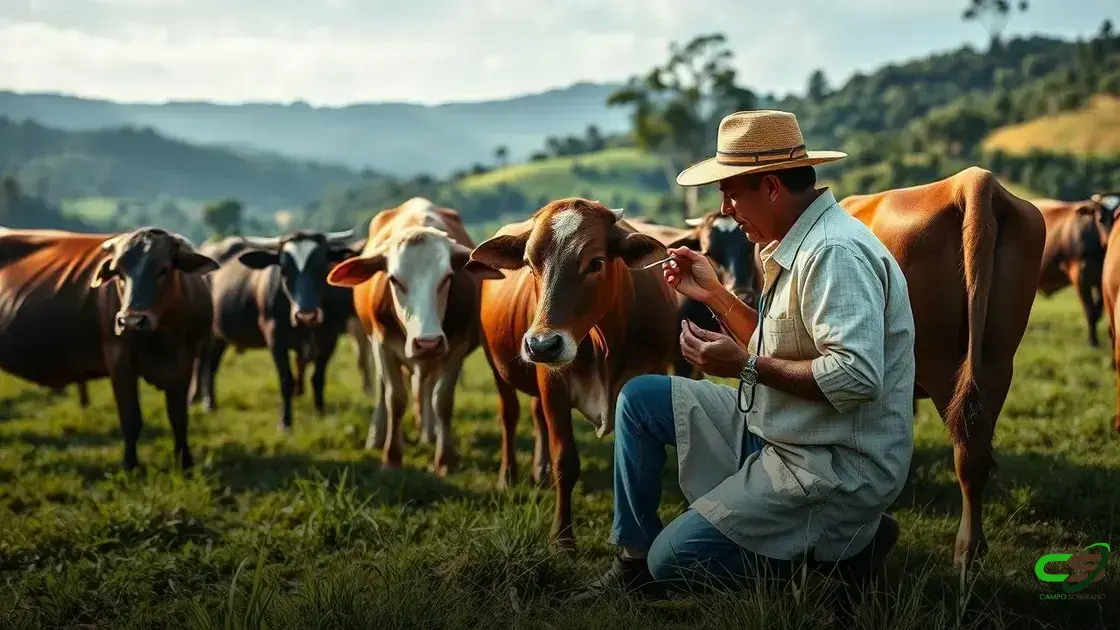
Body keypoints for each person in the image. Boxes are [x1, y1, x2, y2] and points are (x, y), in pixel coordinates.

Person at [571, 110, 917, 599]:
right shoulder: (796, 244)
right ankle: (632, 563)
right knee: (641, 399)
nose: (727, 208)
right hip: (784, 426)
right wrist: (715, 295)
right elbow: (779, 342)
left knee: (673, 563)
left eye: (731, 192)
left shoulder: (833, 253)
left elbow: (855, 378)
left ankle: (838, 554)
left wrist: (745, 366)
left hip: (832, 463)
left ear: (772, 187)